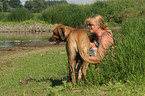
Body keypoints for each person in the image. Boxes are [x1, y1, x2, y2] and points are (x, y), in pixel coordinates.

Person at [75, 14, 115, 80]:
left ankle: (81, 80)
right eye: (88, 25)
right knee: (80, 59)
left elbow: (100, 58)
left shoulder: (105, 38)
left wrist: (84, 57)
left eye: (90, 25)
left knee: (87, 54)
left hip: (105, 65)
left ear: (98, 25)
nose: (88, 27)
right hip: (94, 62)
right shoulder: (92, 37)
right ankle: (77, 80)